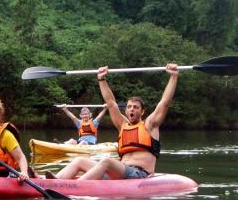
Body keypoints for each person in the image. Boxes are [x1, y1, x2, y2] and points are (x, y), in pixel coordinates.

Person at [47, 63, 179, 180]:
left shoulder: (150, 125)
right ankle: (52, 181)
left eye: (135, 107)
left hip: (140, 174)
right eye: (129, 107)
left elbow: (164, 103)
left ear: (142, 112)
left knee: (107, 161)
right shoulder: (122, 125)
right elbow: (111, 103)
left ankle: (74, 187)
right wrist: (101, 78)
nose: (131, 109)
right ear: (126, 111)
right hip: (120, 172)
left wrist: (173, 76)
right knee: (79, 160)